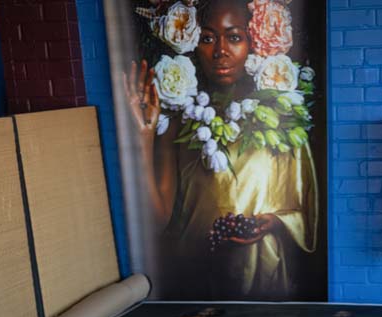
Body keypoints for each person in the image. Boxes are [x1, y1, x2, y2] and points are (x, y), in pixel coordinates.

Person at [125, 0, 318, 299]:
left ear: (254, 42)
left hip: (262, 280)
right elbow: (158, 218)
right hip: (196, 279)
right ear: (191, 43)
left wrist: (276, 221)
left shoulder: (281, 117)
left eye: (235, 37)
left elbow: (306, 207)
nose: (221, 52)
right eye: (207, 38)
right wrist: (143, 135)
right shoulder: (179, 117)